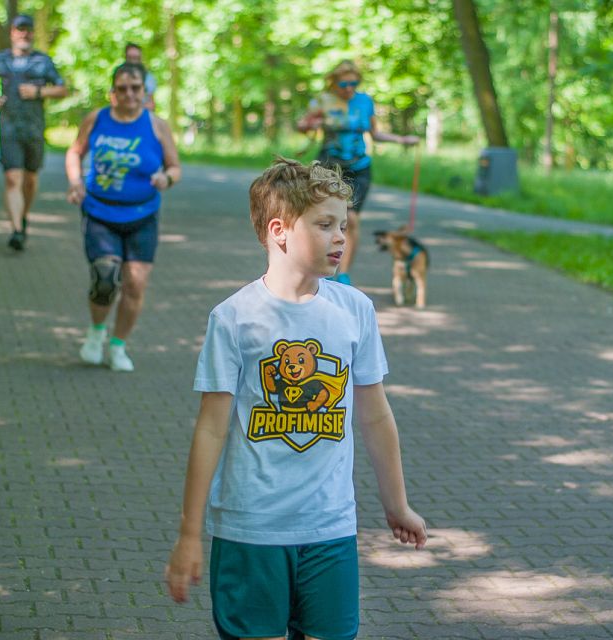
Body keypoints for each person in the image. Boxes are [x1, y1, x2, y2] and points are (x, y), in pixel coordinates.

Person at [164, 158, 427, 639]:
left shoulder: (355, 311)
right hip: (251, 530)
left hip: (330, 527)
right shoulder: (234, 318)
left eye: (343, 225)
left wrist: (397, 504)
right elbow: (211, 428)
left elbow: (374, 416)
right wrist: (188, 534)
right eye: (325, 224)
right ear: (280, 230)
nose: (341, 237)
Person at [65, 62, 181, 372]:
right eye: (122, 88)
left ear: (145, 92)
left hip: (143, 213)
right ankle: (95, 333)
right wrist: (76, 182)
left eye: (136, 88)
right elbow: (74, 152)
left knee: (135, 285)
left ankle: (118, 346)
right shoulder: (97, 119)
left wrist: (166, 180)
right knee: (105, 278)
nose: (129, 94)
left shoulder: (157, 126)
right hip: (100, 212)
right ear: (113, 93)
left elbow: (175, 167)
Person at [297, 60, 418, 286]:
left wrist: (402, 140)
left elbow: (376, 134)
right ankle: (315, 264)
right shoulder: (322, 101)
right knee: (323, 217)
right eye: (344, 84)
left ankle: (343, 274)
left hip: (359, 167)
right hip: (329, 167)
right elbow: (302, 125)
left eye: (354, 83)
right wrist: (308, 125)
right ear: (334, 83)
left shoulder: (364, 102)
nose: (349, 88)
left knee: (351, 220)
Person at [0, 14, 67, 251]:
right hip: (9, 128)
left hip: (34, 129)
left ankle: (23, 216)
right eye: (20, 29)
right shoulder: (2, 60)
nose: (24, 34)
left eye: (28, 29)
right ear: (12, 33)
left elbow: (62, 89)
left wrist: (39, 93)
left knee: (29, 180)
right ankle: (17, 230)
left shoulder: (42, 61)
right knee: (12, 178)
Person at [124, 43, 157, 111]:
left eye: (136, 58)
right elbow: (114, 100)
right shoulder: (119, 76)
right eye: (130, 57)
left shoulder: (148, 77)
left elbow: (151, 104)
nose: (133, 61)